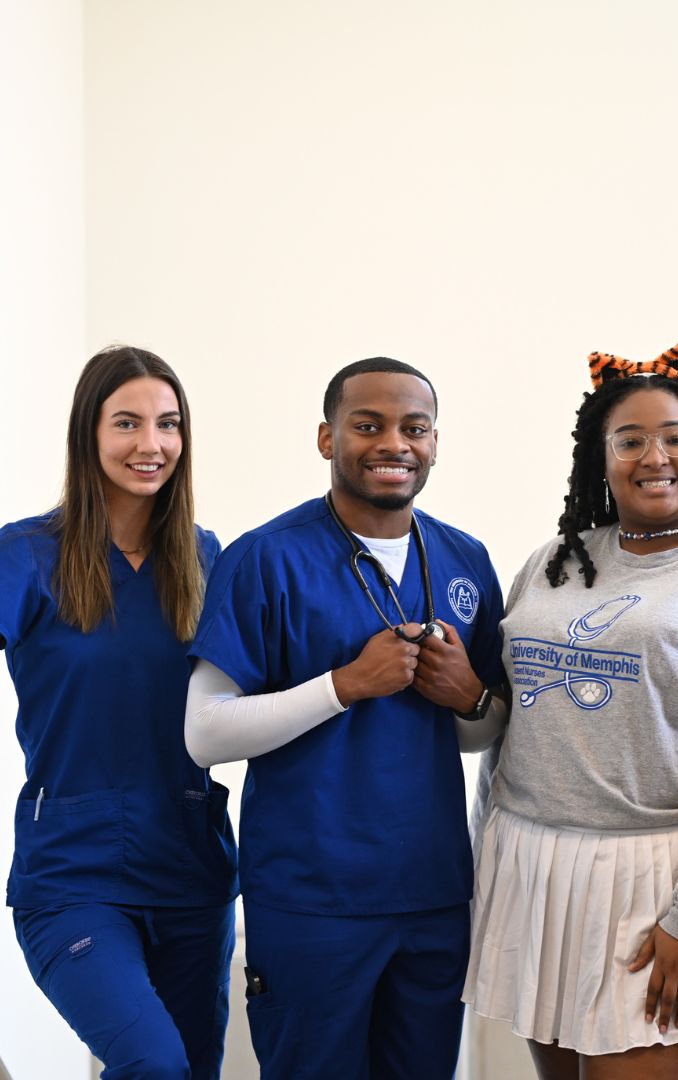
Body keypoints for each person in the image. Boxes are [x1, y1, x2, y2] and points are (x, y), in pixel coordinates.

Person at [463, 339, 678, 1080]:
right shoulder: (553, 561)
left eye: (675, 438)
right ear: (601, 458)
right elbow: (513, 727)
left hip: (666, 878)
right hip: (538, 870)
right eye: (629, 440)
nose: (654, 457)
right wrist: (486, 863)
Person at [184, 356, 506, 1079]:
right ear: (327, 438)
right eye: (368, 425)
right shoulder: (265, 558)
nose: (394, 443)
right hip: (313, 897)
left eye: (414, 428)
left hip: (432, 892)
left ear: (434, 443)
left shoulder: (465, 558)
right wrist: (345, 684)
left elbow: (481, 732)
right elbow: (204, 733)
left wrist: (469, 698)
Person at [0, 346, 237, 1079]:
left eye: (168, 424)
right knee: (152, 1063)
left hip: (189, 868)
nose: (151, 443)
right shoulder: (25, 555)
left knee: (189, 1070)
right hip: (72, 874)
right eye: (127, 422)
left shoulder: (206, 559)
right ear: (89, 432)